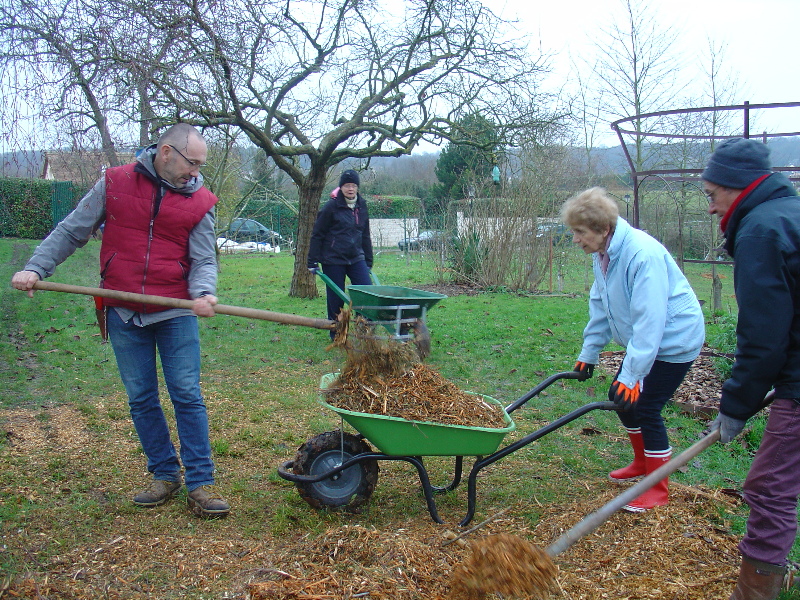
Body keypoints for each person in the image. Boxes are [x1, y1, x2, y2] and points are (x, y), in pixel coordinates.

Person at [11, 123, 230, 518]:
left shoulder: (200, 200)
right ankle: (164, 474)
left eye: (200, 165)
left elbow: (203, 259)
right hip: (123, 307)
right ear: (166, 152)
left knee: (186, 393)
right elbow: (72, 230)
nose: (196, 173)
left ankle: (201, 482)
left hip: (175, 310)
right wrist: (36, 268)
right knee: (141, 397)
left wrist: (202, 293)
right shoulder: (113, 183)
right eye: (191, 163)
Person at [562, 187, 705, 512]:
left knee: (645, 407)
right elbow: (601, 306)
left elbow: (649, 322)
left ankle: (656, 489)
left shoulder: (642, 254)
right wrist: (589, 353)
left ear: (603, 229)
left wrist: (633, 375)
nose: (575, 239)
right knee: (621, 397)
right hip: (648, 339)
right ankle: (643, 463)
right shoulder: (604, 254)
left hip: (674, 339)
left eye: (580, 232)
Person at [703, 138, 800, 600]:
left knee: (768, 489)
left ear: (739, 188)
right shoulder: (790, 214)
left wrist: (736, 404)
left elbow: (763, 336)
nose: (709, 207)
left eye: (712, 194)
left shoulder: (761, 230)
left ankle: (755, 594)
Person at [307, 169, 373, 334]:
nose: (350, 189)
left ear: (357, 187)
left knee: (366, 292)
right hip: (333, 258)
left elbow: (365, 234)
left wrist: (368, 261)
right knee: (336, 298)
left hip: (356, 257)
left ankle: (364, 328)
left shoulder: (361, 206)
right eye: (346, 185)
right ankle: (336, 333)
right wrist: (312, 261)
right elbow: (317, 234)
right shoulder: (331, 207)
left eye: (353, 185)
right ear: (341, 188)